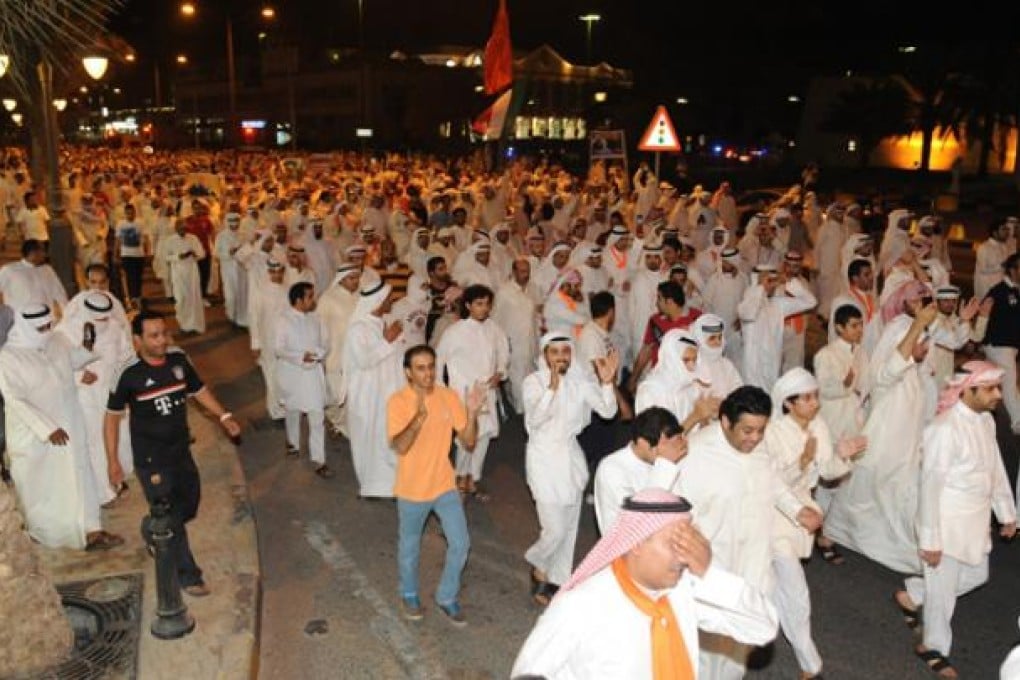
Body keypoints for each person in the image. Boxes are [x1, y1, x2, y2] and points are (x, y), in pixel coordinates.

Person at [512, 488, 779, 680]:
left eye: (687, 543)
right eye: (674, 544)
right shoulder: (582, 605)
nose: (683, 555)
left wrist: (710, 575)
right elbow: (529, 673)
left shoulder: (682, 591)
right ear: (637, 542)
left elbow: (762, 628)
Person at [672, 385, 819, 680]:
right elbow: (676, 508)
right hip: (713, 567)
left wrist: (796, 510)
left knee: (740, 644)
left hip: (754, 561)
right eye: (747, 430)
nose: (754, 438)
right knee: (704, 647)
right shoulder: (696, 453)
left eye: (760, 430)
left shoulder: (758, 446)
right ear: (725, 422)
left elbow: (773, 481)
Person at [104, 311, 241, 596]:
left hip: (181, 450)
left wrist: (224, 415)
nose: (162, 341)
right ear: (137, 340)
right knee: (170, 515)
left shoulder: (178, 359)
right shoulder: (127, 373)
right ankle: (188, 575)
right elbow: (111, 418)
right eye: (153, 336)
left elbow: (198, 390)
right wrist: (112, 460)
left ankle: (152, 528)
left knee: (189, 505)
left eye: (164, 333)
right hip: (151, 458)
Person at [894, 362, 1017, 679]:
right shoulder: (943, 429)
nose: (998, 396)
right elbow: (930, 489)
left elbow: (996, 471)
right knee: (944, 594)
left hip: (975, 524)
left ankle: (914, 592)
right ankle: (933, 647)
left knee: (977, 575)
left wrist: (1007, 513)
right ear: (969, 389)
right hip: (945, 524)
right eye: (991, 388)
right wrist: (930, 540)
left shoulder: (986, 421)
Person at [824, 280, 938, 574]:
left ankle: (883, 543)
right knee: (868, 484)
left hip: (906, 434)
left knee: (892, 490)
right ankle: (833, 532)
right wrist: (916, 329)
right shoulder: (899, 331)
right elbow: (887, 373)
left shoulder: (914, 353)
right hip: (886, 431)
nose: (924, 346)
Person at [764, 368, 863, 680]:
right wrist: (802, 463)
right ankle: (810, 662)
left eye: (815, 396)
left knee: (779, 587)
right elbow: (772, 485)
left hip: (803, 511)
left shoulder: (819, 425)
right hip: (774, 515)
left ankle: (769, 631)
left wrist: (842, 456)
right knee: (795, 588)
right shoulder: (773, 432)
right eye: (806, 398)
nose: (815, 403)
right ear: (788, 403)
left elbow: (828, 471)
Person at [0, 303, 122, 550]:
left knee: (80, 476)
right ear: (24, 328)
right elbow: (14, 398)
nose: (47, 330)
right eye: (41, 327)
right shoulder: (8, 357)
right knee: (45, 489)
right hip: (36, 436)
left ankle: (91, 530)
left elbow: (69, 360)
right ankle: (48, 533)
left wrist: (86, 349)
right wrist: (46, 428)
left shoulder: (54, 340)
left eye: (49, 325)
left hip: (69, 424)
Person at [386, 345, 486, 626]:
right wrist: (418, 416)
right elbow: (401, 446)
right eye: (420, 368)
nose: (428, 373)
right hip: (412, 489)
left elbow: (468, 441)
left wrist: (473, 412)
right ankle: (408, 592)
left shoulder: (447, 396)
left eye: (431, 366)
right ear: (408, 372)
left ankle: (447, 595)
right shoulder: (398, 401)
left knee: (461, 543)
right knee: (410, 547)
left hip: (444, 484)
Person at [522, 332, 619, 605]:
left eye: (566, 351)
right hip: (543, 458)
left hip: (570, 458)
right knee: (553, 528)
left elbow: (608, 412)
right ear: (544, 356)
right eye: (555, 352)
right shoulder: (533, 382)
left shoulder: (580, 383)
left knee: (569, 527)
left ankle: (558, 579)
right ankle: (539, 565)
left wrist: (607, 383)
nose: (561, 357)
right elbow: (535, 419)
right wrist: (552, 388)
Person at [56, 291, 134, 507]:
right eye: (97, 319)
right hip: (85, 396)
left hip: (112, 391)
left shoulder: (114, 327)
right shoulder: (65, 332)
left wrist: (127, 387)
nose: (102, 322)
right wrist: (79, 376)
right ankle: (103, 491)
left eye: (105, 318)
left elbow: (126, 356)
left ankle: (117, 476)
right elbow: (55, 364)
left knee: (118, 436)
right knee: (95, 441)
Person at [435, 284, 509, 499]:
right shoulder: (454, 331)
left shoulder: (494, 328)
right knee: (465, 438)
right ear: (468, 305)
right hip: (463, 393)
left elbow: (503, 353)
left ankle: (473, 478)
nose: (484, 309)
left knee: (484, 435)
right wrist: (442, 391)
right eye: (479, 304)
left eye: (487, 304)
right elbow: (439, 360)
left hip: (487, 391)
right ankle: (458, 478)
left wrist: (500, 373)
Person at [341, 279, 405, 499]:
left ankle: (390, 485)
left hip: (388, 392)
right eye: (388, 299)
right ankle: (371, 486)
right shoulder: (358, 329)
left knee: (388, 437)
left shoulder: (383, 323)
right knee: (371, 438)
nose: (392, 301)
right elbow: (365, 361)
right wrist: (388, 340)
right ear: (378, 301)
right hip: (368, 396)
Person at [592, 407, 687, 533]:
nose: (667, 452)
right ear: (642, 442)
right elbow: (636, 520)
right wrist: (666, 465)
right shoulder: (611, 469)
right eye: (662, 447)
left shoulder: (664, 457)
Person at [276, 282, 333, 478]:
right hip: (293, 374)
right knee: (293, 411)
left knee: (317, 416)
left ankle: (319, 459)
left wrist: (318, 353)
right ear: (299, 300)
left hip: (313, 375)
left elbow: (326, 342)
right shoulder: (284, 320)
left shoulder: (316, 319)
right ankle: (292, 443)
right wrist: (300, 357)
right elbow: (279, 348)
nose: (313, 300)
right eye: (310, 296)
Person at [737, 265, 817, 390]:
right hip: (752, 372)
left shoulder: (779, 304)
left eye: (772, 282)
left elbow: (811, 302)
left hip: (772, 369)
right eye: (768, 282)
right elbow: (749, 313)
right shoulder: (747, 302)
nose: (771, 286)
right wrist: (760, 287)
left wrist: (789, 282)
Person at [628, 280, 702, 390]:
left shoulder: (697, 318)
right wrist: (633, 379)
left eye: (659, 298)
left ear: (670, 302)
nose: (656, 303)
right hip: (660, 383)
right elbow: (646, 351)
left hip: (689, 385)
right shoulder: (655, 321)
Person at [317, 263, 361, 436]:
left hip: (356, 355)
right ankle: (335, 419)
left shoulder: (360, 296)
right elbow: (319, 329)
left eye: (357, 277)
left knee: (351, 395)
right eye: (352, 278)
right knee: (336, 395)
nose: (356, 281)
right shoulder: (328, 299)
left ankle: (345, 428)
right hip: (335, 355)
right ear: (341, 280)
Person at [981, 253, 1020, 435]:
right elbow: (983, 312)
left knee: (998, 381)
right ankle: (1017, 421)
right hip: (998, 344)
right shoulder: (999, 291)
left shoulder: (1016, 291)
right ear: (1012, 270)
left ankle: (985, 414)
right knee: (1010, 382)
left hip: (1010, 346)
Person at [250, 259, 289, 421]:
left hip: (285, 341)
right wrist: (255, 344)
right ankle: (275, 410)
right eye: (274, 272)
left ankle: (285, 406)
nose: (277, 275)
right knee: (271, 373)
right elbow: (254, 318)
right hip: (267, 340)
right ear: (269, 272)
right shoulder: (260, 291)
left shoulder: (287, 290)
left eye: (280, 271)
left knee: (284, 373)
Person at [163, 218, 206, 335]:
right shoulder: (170, 240)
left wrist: (194, 254)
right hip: (178, 273)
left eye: (184, 228)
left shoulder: (193, 238)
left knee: (194, 299)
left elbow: (202, 254)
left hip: (192, 272)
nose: (183, 230)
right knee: (181, 299)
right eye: (181, 228)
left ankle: (195, 325)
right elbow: (166, 257)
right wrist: (178, 256)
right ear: (176, 228)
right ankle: (184, 325)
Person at [0, 239, 68, 313]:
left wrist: (68, 315)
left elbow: (60, 294)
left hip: (46, 320)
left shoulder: (48, 270)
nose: (45, 254)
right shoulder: (10, 270)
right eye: (43, 251)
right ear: (33, 252)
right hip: (21, 321)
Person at [691, 313, 743, 400]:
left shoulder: (726, 365)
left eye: (720, 337)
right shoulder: (692, 367)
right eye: (712, 338)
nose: (718, 342)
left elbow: (738, 393)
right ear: (700, 339)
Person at [214, 211, 248, 327]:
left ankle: (241, 318)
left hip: (241, 269)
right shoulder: (221, 236)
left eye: (237, 222)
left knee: (242, 293)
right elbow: (216, 254)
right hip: (228, 269)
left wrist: (242, 253)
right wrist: (229, 253)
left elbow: (248, 251)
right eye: (232, 222)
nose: (235, 225)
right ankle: (231, 316)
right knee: (231, 295)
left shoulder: (243, 235)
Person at [114, 203, 147, 309]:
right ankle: (132, 298)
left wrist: (147, 252)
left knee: (138, 277)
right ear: (125, 214)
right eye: (128, 213)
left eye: (132, 213)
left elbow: (145, 238)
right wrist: (116, 254)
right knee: (129, 277)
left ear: (135, 213)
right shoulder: (120, 224)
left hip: (139, 254)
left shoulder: (140, 223)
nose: (130, 215)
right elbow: (118, 240)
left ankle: (138, 296)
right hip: (126, 254)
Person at [974, 219, 1014, 300]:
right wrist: (1003, 265)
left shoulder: (1004, 247)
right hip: (987, 289)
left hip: (1001, 289)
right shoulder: (984, 247)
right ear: (995, 233)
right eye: (1003, 229)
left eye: (1007, 229)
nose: (1007, 232)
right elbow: (983, 269)